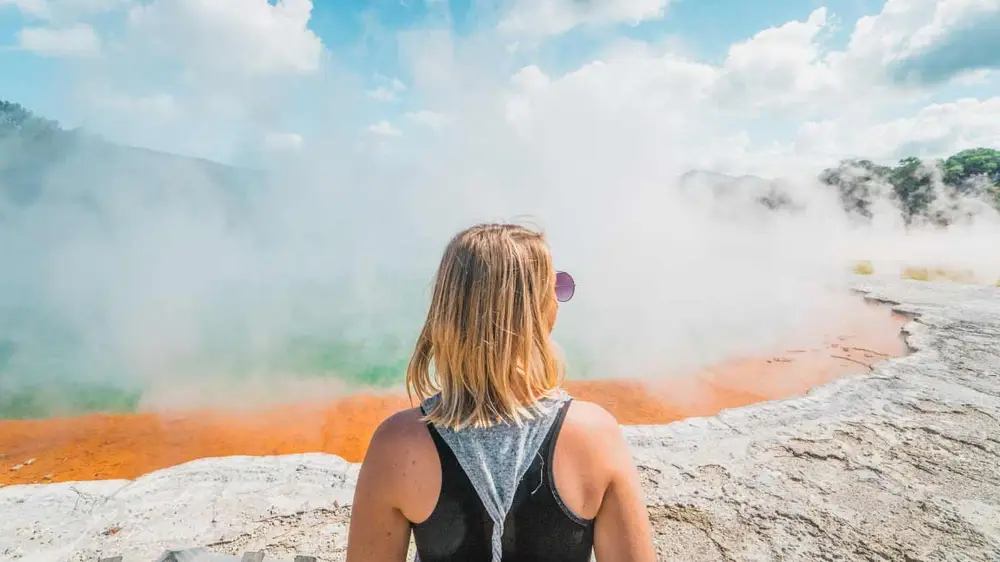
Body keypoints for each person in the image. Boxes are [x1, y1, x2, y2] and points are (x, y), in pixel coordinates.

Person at [346, 223, 656, 562]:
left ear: (448, 309)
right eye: (556, 287)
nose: (559, 299)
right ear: (535, 314)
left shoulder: (397, 445)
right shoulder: (594, 435)